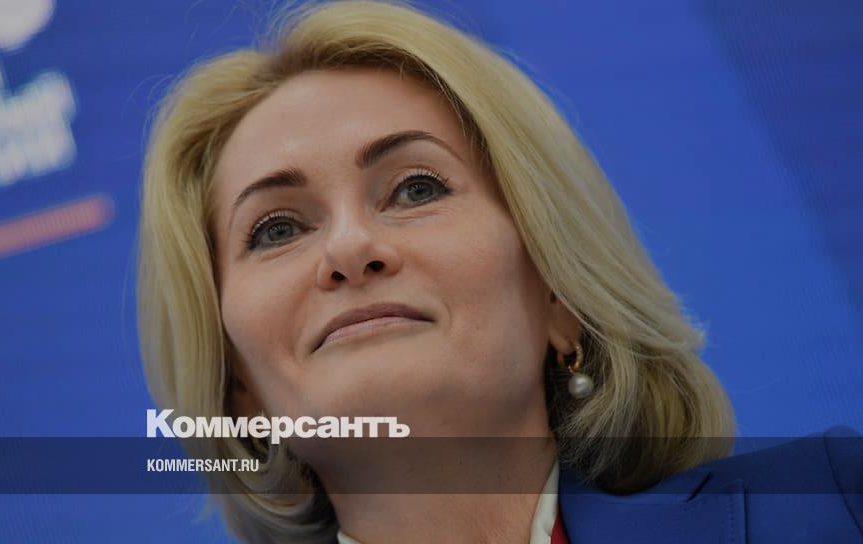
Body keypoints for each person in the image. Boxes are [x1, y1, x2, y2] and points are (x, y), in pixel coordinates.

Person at [136, 1, 863, 542]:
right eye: (277, 229)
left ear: (558, 295)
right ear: (239, 386)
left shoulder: (835, 507)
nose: (349, 248)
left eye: (415, 189)